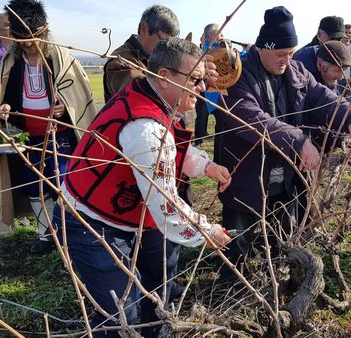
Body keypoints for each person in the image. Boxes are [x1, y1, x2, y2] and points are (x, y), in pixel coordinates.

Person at [54, 38, 231, 337]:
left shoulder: (152, 97)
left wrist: (205, 165)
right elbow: (167, 207)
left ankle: (157, 330)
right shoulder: (144, 128)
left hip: (132, 212)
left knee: (159, 282)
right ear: (164, 77)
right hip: (90, 221)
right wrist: (207, 231)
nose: (202, 87)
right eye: (196, 79)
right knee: (121, 314)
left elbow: (170, 145)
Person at [217, 6, 351, 271]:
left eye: (290, 53)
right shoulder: (237, 76)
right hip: (247, 170)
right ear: (263, 48)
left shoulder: (298, 71)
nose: (286, 60)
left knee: (284, 229)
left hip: (286, 170)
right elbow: (252, 120)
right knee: (240, 233)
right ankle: (233, 280)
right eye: (280, 54)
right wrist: (299, 141)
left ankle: (279, 272)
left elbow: (325, 98)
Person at [0, 0, 97, 253]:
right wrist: (5, 108)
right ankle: (45, 234)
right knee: (33, 184)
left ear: (44, 31)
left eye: (32, 37)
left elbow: (77, 97)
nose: (28, 44)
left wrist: (64, 109)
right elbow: (6, 96)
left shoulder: (62, 60)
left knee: (63, 183)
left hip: (60, 135)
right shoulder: (12, 61)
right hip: (27, 137)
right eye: (22, 39)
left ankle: (68, 233)